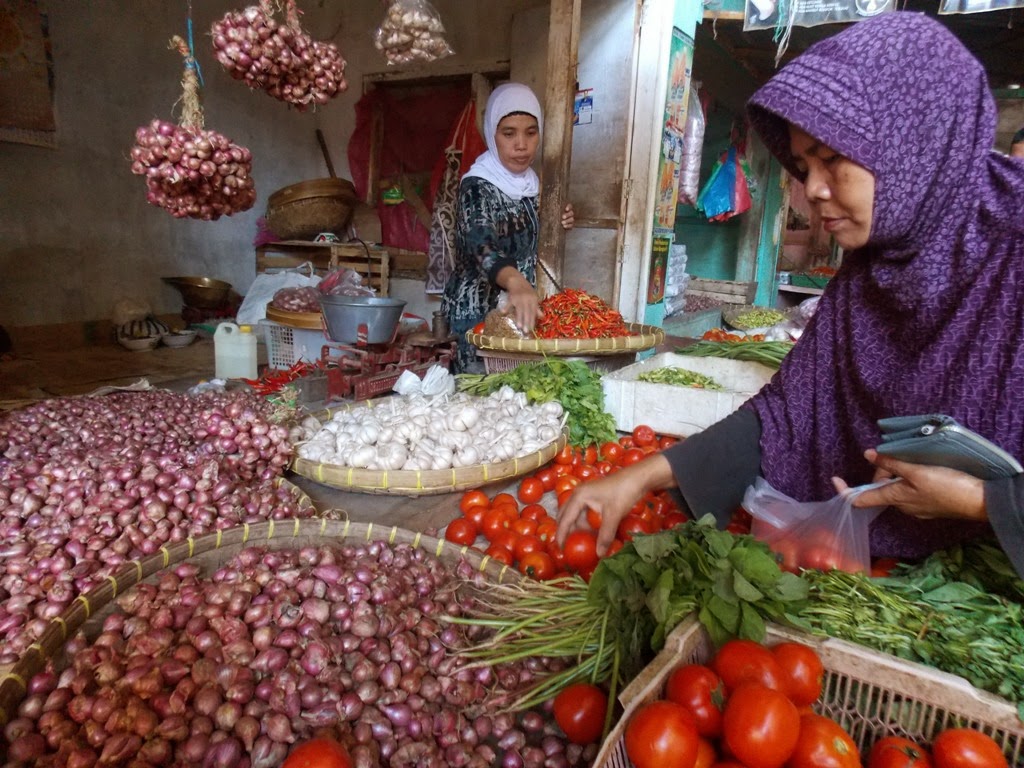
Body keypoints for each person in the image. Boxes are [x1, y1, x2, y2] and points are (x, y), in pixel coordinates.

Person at [557, 12, 1024, 578]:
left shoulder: (1010, 257)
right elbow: (789, 413)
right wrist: (643, 473)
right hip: (874, 567)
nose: (815, 190)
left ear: (915, 145)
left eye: (833, 160)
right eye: (804, 165)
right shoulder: (871, 270)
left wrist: (980, 502)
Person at [441, 82, 574, 373]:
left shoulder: (532, 184)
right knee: (480, 403)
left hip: (517, 314)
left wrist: (556, 219)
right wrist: (517, 283)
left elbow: (530, 235)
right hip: (476, 317)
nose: (521, 145)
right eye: (509, 133)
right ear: (492, 134)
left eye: (531, 132)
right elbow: (482, 245)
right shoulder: (477, 187)